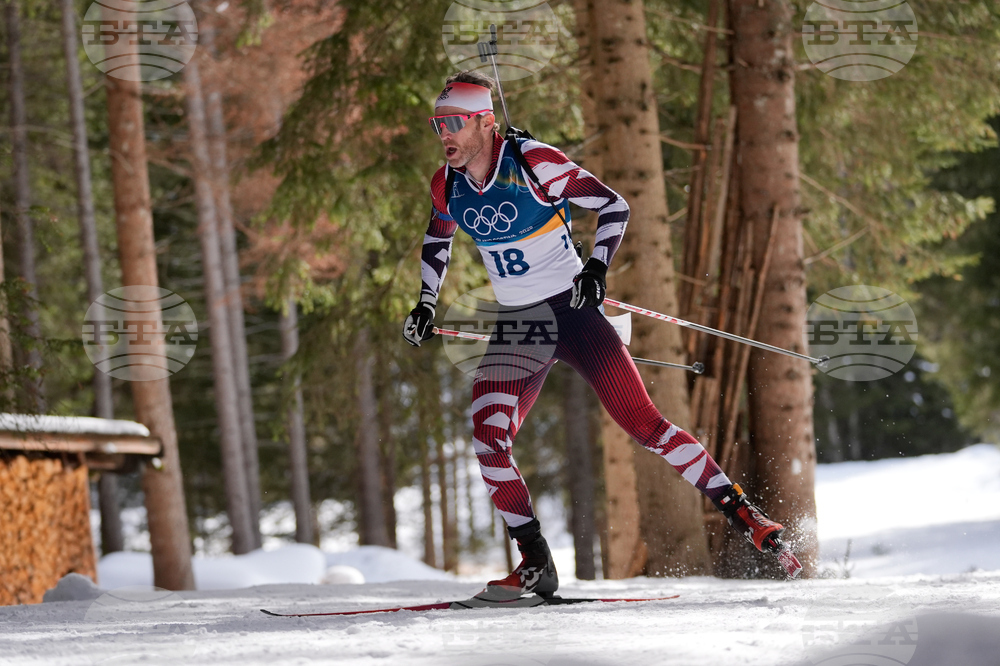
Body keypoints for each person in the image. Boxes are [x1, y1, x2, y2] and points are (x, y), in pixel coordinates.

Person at [403, 71, 790, 599]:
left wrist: (596, 268)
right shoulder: (445, 184)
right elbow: (437, 238)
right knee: (487, 435)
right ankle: (535, 562)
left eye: (454, 123)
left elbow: (613, 206)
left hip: (576, 314)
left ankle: (745, 514)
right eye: (437, 124)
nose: (444, 134)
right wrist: (426, 303)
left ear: (484, 122)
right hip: (520, 324)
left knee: (645, 425)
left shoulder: (535, 162)